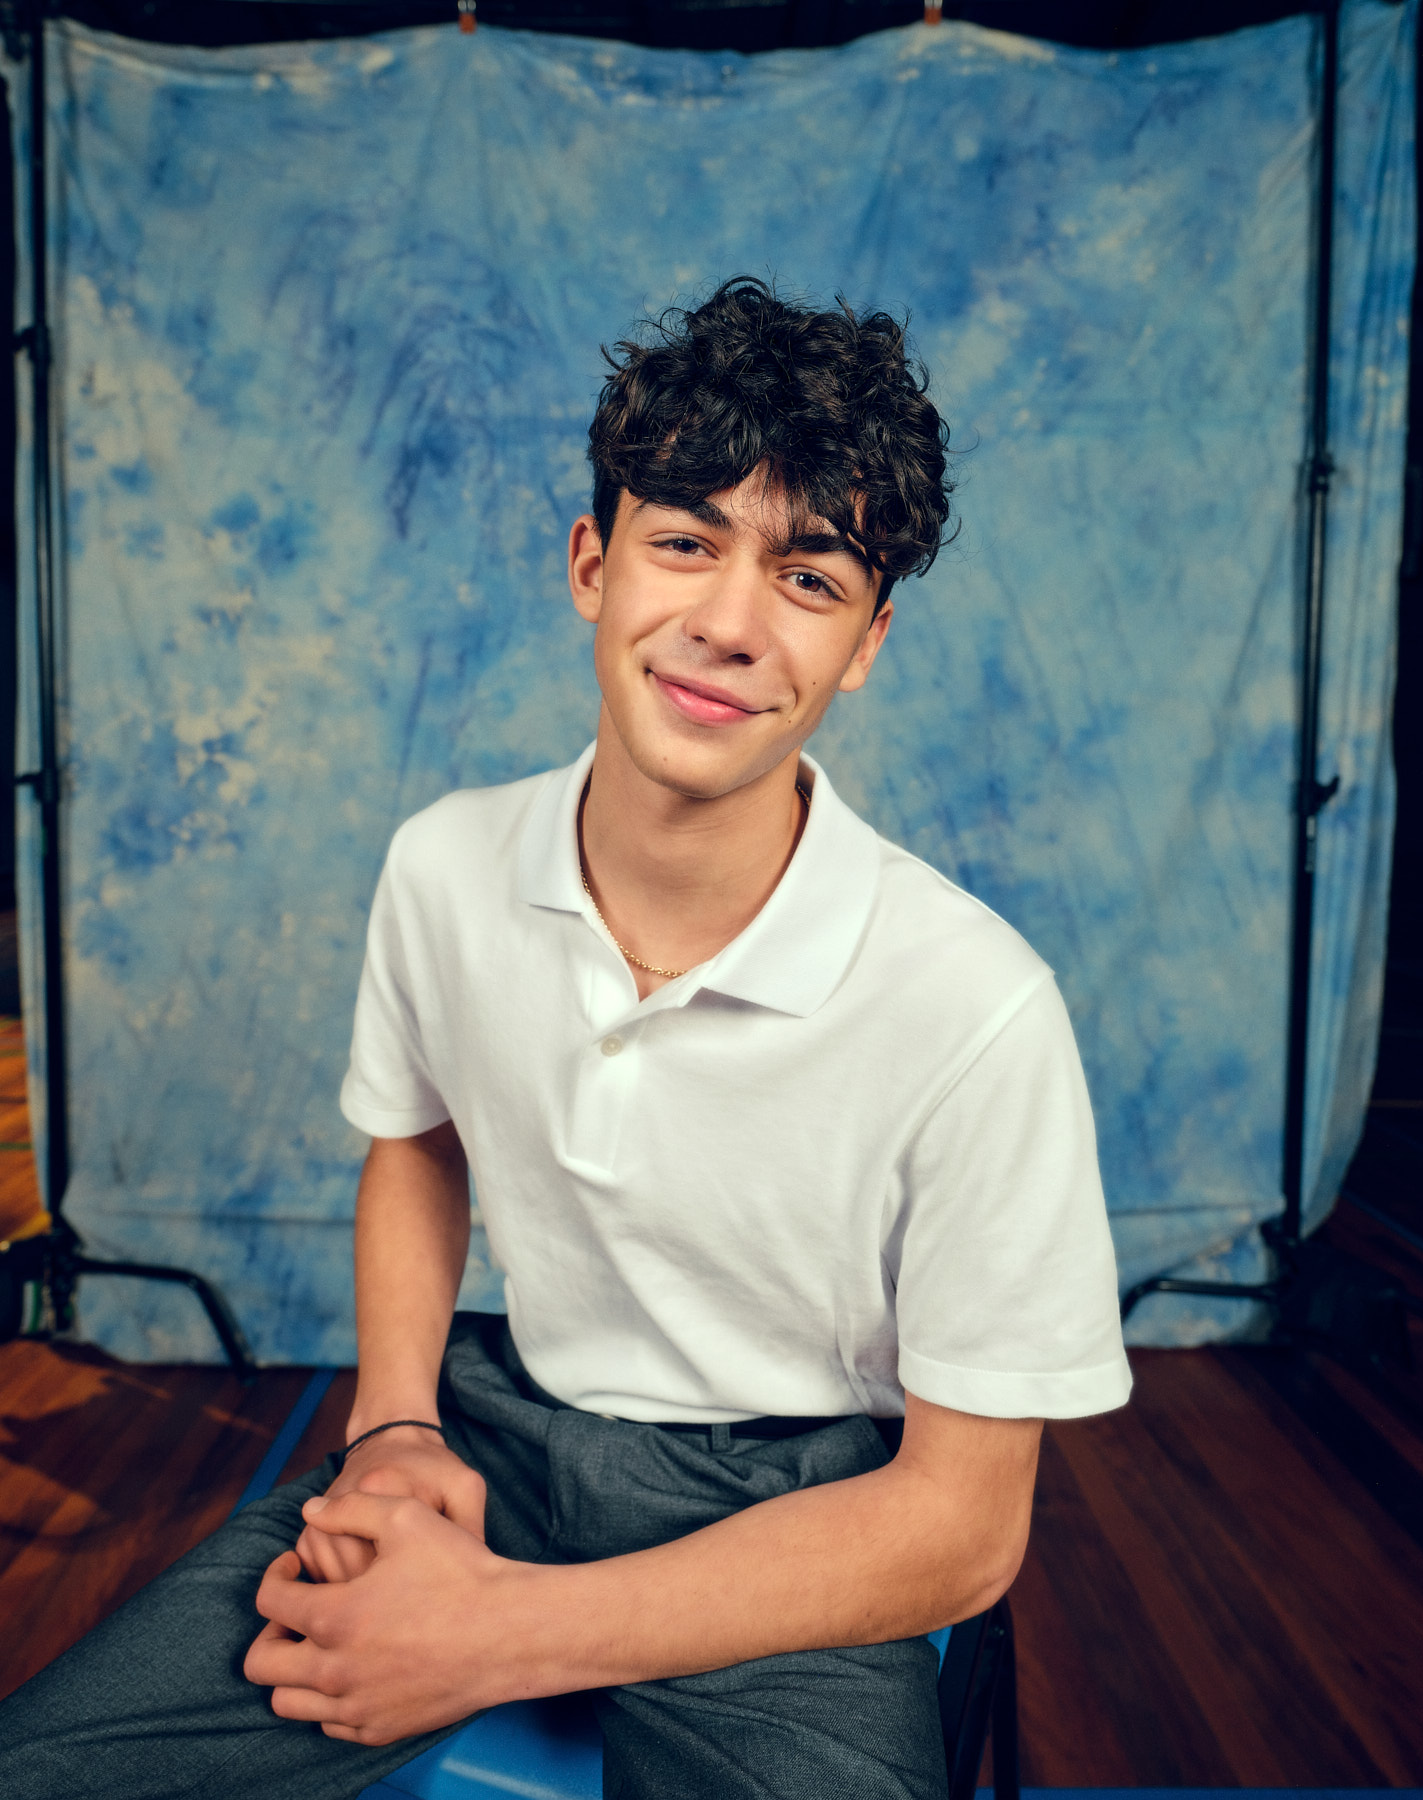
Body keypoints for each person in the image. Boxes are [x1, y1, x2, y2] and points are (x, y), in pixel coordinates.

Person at [0, 277, 1131, 1799]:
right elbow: (415, 1146)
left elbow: (962, 1527)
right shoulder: (444, 866)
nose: (728, 625)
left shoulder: (979, 1006)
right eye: (686, 543)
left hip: (804, 1505)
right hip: (503, 1432)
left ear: (865, 642)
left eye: (808, 577)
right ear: (592, 562)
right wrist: (395, 1427)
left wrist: (498, 1637)